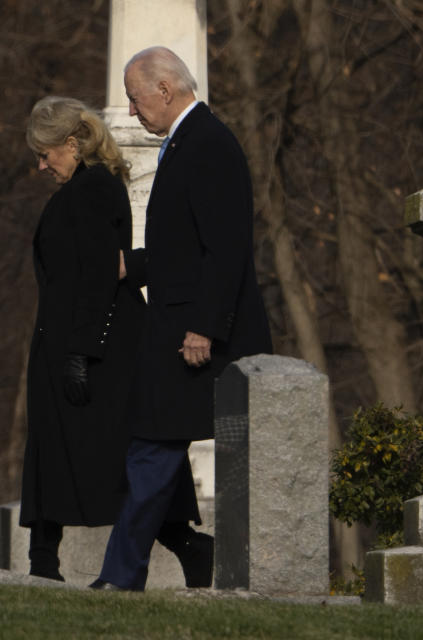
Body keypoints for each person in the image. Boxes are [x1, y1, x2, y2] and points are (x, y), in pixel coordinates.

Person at [90, 47, 272, 591]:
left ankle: (122, 579)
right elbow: (184, 247)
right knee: (151, 446)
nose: (130, 110)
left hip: (199, 337)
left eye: (135, 96)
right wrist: (131, 265)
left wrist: (205, 328)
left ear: (165, 91)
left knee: (152, 447)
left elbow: (226, 247)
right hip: (180, 329)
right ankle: (183, 554)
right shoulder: (189, 141)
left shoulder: (209, 144)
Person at [20, 96, 146, 581]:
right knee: (53, 450)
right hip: (67, 345)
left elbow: (98, 276)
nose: (41, 164)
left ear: (72, 144)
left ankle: (183, 541)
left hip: (92, 351)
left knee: (108, 455)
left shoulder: (94, 189)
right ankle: (42, 561)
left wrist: (80, 352)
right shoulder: (82, 189)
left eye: (46, 152)